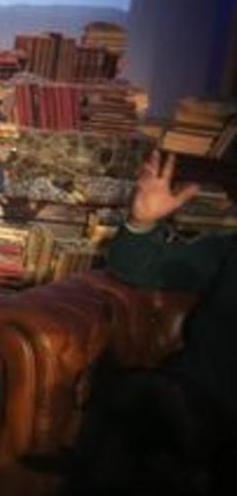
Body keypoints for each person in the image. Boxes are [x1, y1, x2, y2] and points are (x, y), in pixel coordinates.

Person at [69, 149, 236, 495]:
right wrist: (142, 223)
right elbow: (138, 268)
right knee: (142, 401)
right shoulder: (228, 250)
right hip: (195, 406)